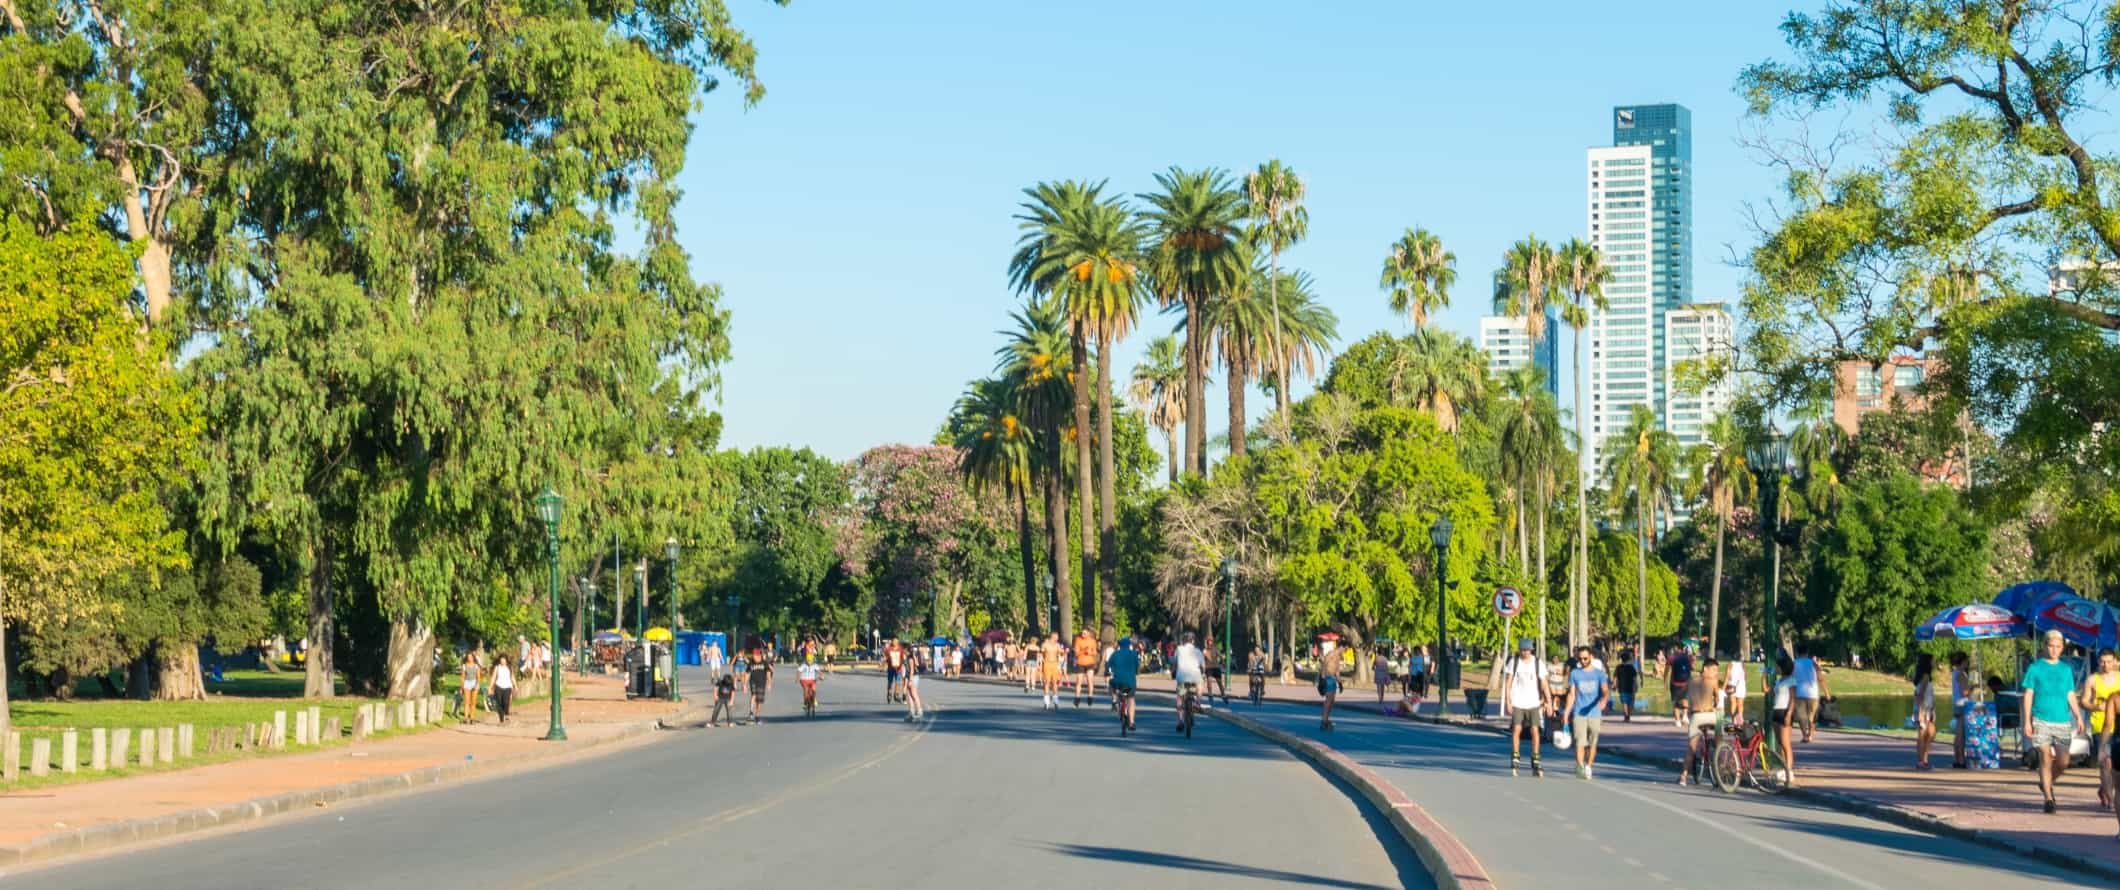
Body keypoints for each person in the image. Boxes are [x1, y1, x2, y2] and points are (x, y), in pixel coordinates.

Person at [2023, 629, 2086, 814]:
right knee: (2045, 756)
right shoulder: (2035, 668)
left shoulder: (2065, 670)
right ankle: (2048, 799)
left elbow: (2070, 694)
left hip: (2062, 720)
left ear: (2062, 648)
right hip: (2041, 718)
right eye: (2051, 646)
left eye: (2058, 647)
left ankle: (2046, 783)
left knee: (2063, 761)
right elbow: (2028, 694)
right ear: (2044, 646)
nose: (2054, 650)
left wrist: (2078, 715)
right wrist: (2027, 720)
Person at [1501, 639, 1549, 776]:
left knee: (1535, 730)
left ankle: (1536, 759)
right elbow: (1508, 683)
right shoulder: (1514, 662)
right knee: (1517, 729)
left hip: (1534, 702)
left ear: (1531, 650)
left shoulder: (1537, 663)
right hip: (1518, 702)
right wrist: (1508, 702)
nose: (1525, 653)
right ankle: (1515, 757)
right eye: (1523, 650)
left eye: (1527, 650)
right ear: (1519, 650)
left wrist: (1549, 701)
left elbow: (1544, 683)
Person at [1563, 646, 1611, 779]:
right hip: (1579, 713)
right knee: (1580, 742)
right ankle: (1580, 765)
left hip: (1595, 713)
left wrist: (1604, 700)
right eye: (1580, 658)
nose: (1583, 661)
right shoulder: (1575, 673)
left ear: (1591, 657)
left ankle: (1589, 766)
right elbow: (1571, 694)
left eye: (1585, 658)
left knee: (1592, 742)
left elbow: (1606, 690)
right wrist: (1566, 712)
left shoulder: (1599, 674)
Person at [1677, 658, 1723, 786]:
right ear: (1705, 669)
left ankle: (1684, 776)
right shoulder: (1713, 682)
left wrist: (1680, 703)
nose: (1716, 673)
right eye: (1714, 670)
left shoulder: (1691, 681)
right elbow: (1718, 700)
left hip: (1697, 717)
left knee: (1691, 749)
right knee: (1720, 731)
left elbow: (1680, 695)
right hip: (1711, 715)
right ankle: (1720, 753)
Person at [2084, 649, 2120, 811]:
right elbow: (2083, 701)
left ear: (2115, 661)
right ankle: (2111, 800)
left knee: (2114, 766)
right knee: (2106, 762)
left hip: (2117, 726)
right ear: (2098, 662)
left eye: (2109, 661)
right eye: (2103, 662)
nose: (2106, 665)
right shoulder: (2093, 679)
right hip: (2100, 725)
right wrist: (2096, 706)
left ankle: (2104, 789)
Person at [1770, 653, 1799, 787]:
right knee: (1780, 743)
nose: (1776, 668)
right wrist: (1764, 676)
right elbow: (1766, 690)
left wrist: (1789, 714)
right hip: (1776, 711)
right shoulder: (1778, 681)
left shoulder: (1791, 681)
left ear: (1782, 667)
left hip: (1784, 712)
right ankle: (1783, 768)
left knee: (1786, 743)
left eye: (1778, 666)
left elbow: (1793, 699)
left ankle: (1789, 771)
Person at [1791, 644, 1827, 742]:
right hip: (1813, 693)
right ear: (1807, 653)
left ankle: (1804, 735)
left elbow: (1790, 678)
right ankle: (1810, 735)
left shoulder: (1794, 663)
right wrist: (1826, 692)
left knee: (1801, 716)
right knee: (1812, 715)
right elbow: (1820, 678)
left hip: (1799, 693)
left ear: (1797, 653)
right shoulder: (1813, 663)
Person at [1172, 632, 1206, 732]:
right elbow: (1203, 666)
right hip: (1195, 676)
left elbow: (1175, 663)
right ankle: (1198, 703)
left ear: (1183, 640)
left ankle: (1180, 720)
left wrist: (1173, 672)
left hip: (1182, 677)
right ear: (1193, 641)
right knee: (1200, 684)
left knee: (1180, 697)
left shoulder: (1179, 649)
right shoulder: (1198, 651)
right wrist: (1203, 673)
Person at [1108, 637, 1142, 731]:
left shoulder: (1115, 654)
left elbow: (1108, 665)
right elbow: (1137, 668)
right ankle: (1131, 721)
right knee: (1131, 699)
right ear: (1129, 645)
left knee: (1111, 684)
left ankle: (1114, 699)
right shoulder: (1133, 654)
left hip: (1117, 682)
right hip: (1129, 682)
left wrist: (1107, 672)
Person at [1912, 652, 1937, 770]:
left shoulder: (1923, 675)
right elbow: (1920, 695)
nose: (1934, 663)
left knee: (1930, 733)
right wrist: (1921, 713)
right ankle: (1922, 761)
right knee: (1923, 735)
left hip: (1928, 708)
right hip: (1924, 709)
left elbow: (1916, 694)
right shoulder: (1925, 676)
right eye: (1932, 661)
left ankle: (1924, 760)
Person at [1949, 651, 1972, 769]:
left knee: (1958, 733)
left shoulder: (1954, 673)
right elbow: (1965, 692)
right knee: (1961, 734)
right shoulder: (1962, 674)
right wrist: (1972, 688)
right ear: (1963, 661)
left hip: (1956, 704)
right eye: (1967, 660)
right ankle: (1961, 759)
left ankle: (1957, 757)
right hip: (1963, 705)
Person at [1317, 635, 1344, 731]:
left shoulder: (1338, 657)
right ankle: (1324, 721)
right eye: (1344, 649)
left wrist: (1340, 682)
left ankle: (1326, 719)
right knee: (1328, 700)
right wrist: (1322, 678)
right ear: (1341, 647)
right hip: (1327, 678)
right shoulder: (1331, 654)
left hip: (1332, 679)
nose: (1344, 652)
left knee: (1332, 701)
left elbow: (1337, 671)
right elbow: (1324, 664)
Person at [1072, 629, 1100, 707]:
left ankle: (1090, 696)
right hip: (1080, 662)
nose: (1083, 634)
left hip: (1090, 662)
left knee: (1090, 679)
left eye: (1085, 633)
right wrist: (1084, 650)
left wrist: (1090, 652)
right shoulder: (1078, 640)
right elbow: (1076, 653)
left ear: (1088, 634)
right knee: (1079, 681)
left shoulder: (1092, 641)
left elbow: (1095, 652)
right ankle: (1077, 698)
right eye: (1082, 633)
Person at [747, 645, 773, 725]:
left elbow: (769, 673)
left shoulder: (764, 662)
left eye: (755, 655)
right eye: (753, 655)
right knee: (753, 695)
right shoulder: (751, 662)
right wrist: (744, 684)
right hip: (753, 681)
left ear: (759, 655)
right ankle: (751, 712)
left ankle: (757, 716)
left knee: (760, 701)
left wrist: (769, 683)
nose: (754, 657)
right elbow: (747, 673)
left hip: (762, 683)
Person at [1040, 633, 1066, 710]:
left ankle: (1055, 700)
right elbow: (1041, 653)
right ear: (1052, 636)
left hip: (1055, 664)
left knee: (1055, 682)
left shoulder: (1057, 645)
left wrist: (1063, 652)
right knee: (1047, 682)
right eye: (1056, 636)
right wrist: (1040, 662)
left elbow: (1062, 653)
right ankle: (1046, 701)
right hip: (1047, 664)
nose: (1057, 638)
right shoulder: (1045, 644)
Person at [1667, 645, 1695, 715]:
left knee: (1675, 699)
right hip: (1686, 682)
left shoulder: (1672, 658)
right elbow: (1693, 668)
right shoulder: (1688, 658)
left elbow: (1666, 670)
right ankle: (1685, 715)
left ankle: (1677, 716)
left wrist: (1665, 680)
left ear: (1676, 648)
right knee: (1685, 698)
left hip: (1674, 683)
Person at [1613, 648, 1639, 722]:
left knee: (1624, 702)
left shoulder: (1618, 667)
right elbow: (1635, 678)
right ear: (1628, 659)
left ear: (1621, 659)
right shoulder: (1631, 667)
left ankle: (1626, 716)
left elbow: (1615, 677)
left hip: (1622, 687)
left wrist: (1614, 685)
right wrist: (1636, 686)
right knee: (1630, 702)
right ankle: (1629, 715)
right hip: (1630, 687)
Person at [459, 648, 482, 724]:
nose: (470, 659)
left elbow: (478, 677)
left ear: (473, 657)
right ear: (466, 658)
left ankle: (472, 718)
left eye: (471, 657)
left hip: (474, 682)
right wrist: (461, 687)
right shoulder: (464, 666)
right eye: (468, 657)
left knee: (473, 701)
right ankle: (465, 718)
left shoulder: (476, 666)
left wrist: (477, 684)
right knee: (466, 701)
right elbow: (462, 677)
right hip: (467, 683)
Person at [1201, 636, 1226, 706]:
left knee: (1220, 683)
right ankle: (1210, 694)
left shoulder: (1215, 649)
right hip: (1208, 668)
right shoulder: (1204, 650)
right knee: (1209, 681)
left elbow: (1220, 656)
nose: (1210, 642)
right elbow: (1203, 659)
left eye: (1211, 641)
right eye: (1208, 641)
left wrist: (1222, 662)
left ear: (1212, 642)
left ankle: (1223, 694)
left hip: (1216, 667)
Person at [1724, 654, 1748, 724]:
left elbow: (1727, 675)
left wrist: (1724, 686)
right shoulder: (1742, 664)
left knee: (1733, 702)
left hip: (1732, 684)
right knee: (1740, 703)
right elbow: (1745, 675)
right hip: (1741, 684)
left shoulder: (1730, 664)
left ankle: (1733, 718)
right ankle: (1740, 718)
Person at [491, 654, 514, 724]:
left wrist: (515, 686)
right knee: (499, 703)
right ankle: (501, 719)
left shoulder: (509, 667)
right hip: (498, 686)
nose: (502, 661)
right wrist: (490, 687)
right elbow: (493, 677)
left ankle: (506, 713)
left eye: (504, 659)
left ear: (506, 660)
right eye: (501, 659)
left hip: (507, 686)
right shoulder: (497, 667)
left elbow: (512, 677)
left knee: (506, 702)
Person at [903, 648, 925, 721]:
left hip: (913, 677)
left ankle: (919, 711)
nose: (903, 651)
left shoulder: (910, 658)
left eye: (904, 650)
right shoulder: (906, 658)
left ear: (907, 651)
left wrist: (910, 680)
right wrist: (905, 684)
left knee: (914, 694)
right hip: (909, 676)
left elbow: (912, 670)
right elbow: (907, 671)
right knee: (909, 695)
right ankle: (911, 712)